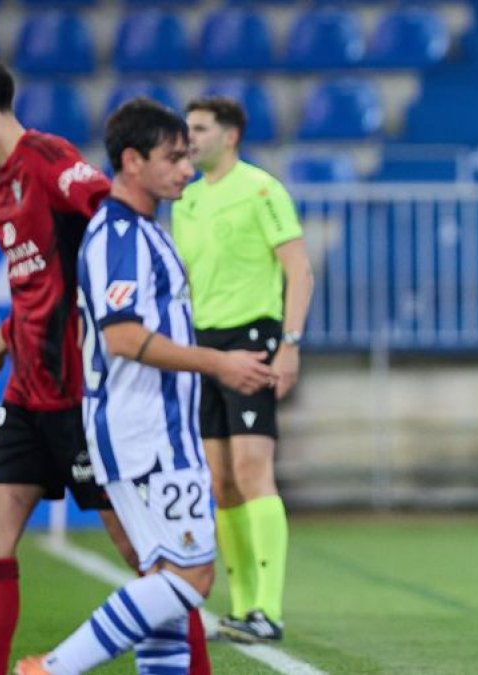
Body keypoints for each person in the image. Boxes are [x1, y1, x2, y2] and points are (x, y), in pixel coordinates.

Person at [0, 54, 210, 675]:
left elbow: (114, 218)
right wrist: (5, 335)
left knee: (152, 558)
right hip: (27, 395)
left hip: (84, 400)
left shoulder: (50, 161)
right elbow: (42, 285)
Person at [16, 98, 276, 675]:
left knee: (163, 583)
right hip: (146, 430)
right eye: (174, 158)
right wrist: (221, 363)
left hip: (150, 428)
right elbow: (124, 337)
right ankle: (54, 668)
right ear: (131, 161)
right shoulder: (121, 237)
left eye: (188, 156)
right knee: (191, 577)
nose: (187, 168)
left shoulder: (145, 232)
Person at [172, 96, 313, 642]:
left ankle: (270, 610)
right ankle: (245, 606)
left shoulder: (261, 188)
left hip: (253, 338)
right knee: (219, 479)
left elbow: (299, 270)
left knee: (253, 469)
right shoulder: (183, 201)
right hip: (202, 347)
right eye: (187, 130)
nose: (190, 139)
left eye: (200, 129)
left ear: (230, 135)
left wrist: (290, 344)